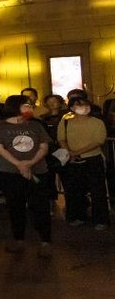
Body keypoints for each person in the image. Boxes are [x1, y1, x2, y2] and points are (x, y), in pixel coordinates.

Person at [0, 95, 52, 256]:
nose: (30, 108)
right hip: (10, 172)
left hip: (38, 170)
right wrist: (19, 164)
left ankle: (46, 241)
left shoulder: (36, 125)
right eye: (26, 105)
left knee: (40, 206)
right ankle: (18, 239)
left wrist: (30, 163)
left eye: (30, 106)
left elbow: (43, 146)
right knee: (15, 205)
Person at [56, 95, 109, 230]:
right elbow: (61, 138)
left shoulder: (97, 122)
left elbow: (98, 141)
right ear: (72, 108)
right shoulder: (66, 121)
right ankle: (77, 216)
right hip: (71, 159)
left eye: (85, 105)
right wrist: (69, 152)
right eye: (79, 105)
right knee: (74, 189)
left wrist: (76, 152)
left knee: (97, 190)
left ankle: (100, 219)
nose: (84, 108)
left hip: (92, 158)